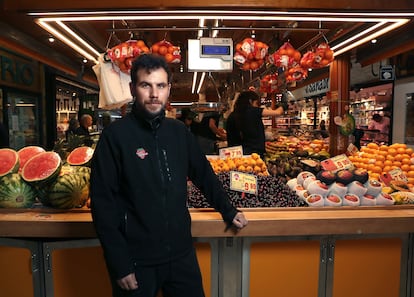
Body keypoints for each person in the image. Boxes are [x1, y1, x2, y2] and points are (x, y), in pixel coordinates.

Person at [90, 54, 248, 297]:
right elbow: (103, 204)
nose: (154, 94)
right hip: (136, 260)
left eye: (160, 86)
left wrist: (228, 210)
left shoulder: (179, 132)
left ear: (168, 90)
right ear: (133, 88)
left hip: (181, 255)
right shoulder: (115, 137)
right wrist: (119, 263)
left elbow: (203, 174)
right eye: (146, 85)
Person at [226, 90, 286, 158]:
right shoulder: (253, 111)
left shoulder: (232, 115)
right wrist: (283, 105)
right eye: (256, 103)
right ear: (250, 101)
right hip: (254, 154)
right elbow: (277, 112)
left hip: (235, 153)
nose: (257, 106)